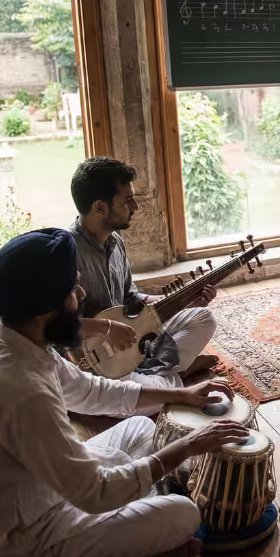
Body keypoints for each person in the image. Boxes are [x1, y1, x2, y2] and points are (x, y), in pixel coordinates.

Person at [0, 228, 251, 557]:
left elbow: (92, 392)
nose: (79, 293)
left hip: (37, 491)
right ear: (41, 309)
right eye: (71, 289)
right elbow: (96, 492)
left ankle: (142, 538)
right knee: (184, 514)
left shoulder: (11, 339)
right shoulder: (21, 389)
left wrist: (181, 394)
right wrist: (190, 445)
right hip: (20, 541)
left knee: (139, 428)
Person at [70, 157, 218, 389]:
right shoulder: (67, 252)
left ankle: (157, 374)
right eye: (128, 200)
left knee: (203, 317)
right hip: (96, 361)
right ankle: (172, 375)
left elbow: (131, 299)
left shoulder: (115, 241)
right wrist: (106, 329)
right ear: (100, 207)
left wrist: (180, 302)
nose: (136, 207)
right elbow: (57, 327)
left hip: (131, 340)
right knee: (157, 395)